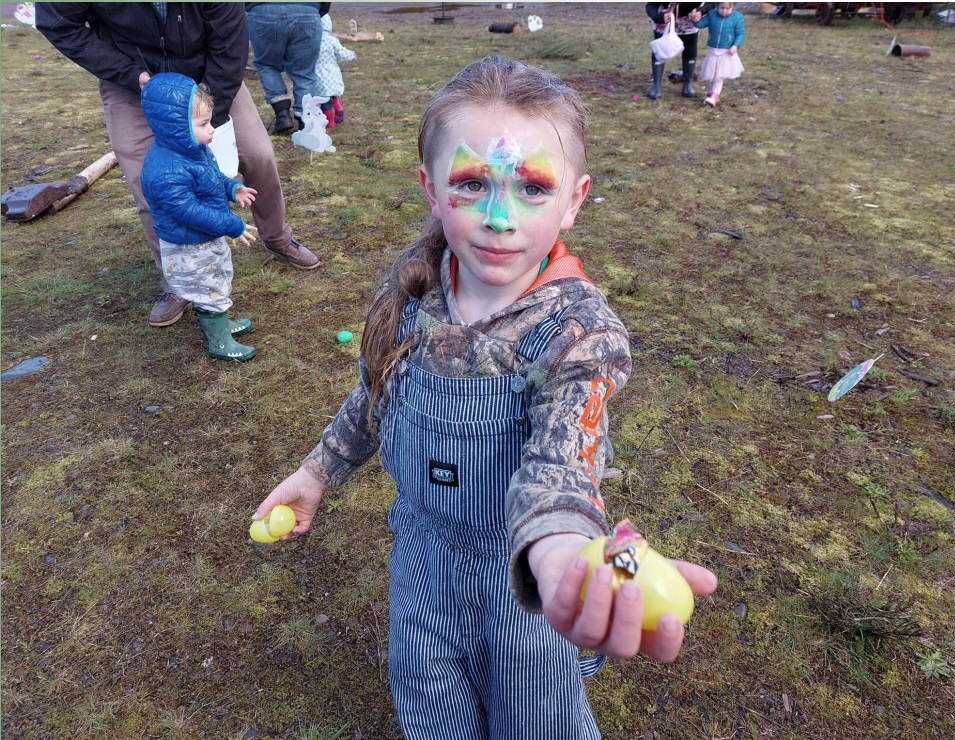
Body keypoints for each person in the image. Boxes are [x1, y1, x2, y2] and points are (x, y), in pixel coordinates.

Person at [251, 55, 718, 739]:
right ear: (430, 190)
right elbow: (376, 391)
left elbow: (564, 459)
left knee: (533, 718)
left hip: (522, 585)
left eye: (532, 188)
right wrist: (318, 471)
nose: (500, 218)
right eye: (472, 184)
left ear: (574, 201)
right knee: (429, 699)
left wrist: (559, 556)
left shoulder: (579, 335)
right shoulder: (411, 288)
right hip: (421, 559)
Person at [35, 3, 322, 329]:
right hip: (134, 81)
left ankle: (277, 236)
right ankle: (176, 279)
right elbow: (57, 22)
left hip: (208, 74)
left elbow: (230, 45)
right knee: (149, 183)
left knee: (258, 154)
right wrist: (130, 74)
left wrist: (203, 123)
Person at [140, 73, 258, 362]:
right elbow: (188, 211)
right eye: (203, 124)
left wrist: (233, 188)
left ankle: (221, 324)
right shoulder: (167, 171)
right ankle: (219, 341)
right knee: (207, 286)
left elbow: (210, 178)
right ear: (175, 127)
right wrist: (232, 224)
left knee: (217, 279)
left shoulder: (191, 151)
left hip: (203, 238)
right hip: (189, 245)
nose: (211, 129)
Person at [244, 3, 331, 133]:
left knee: (267, 65)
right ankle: (306, 121)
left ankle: (282, 113)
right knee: (304, 72)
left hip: (262, 12)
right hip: (307, 10)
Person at [645, 3, 707, 100]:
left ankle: (688, 84)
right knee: (660, 49)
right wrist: (658, 17)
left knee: (690, 48)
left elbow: (712, 3)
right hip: (664, 19)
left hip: (689, 21)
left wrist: (701, 11)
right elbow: (650, 5)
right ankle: (656, 85)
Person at [692, 2, 745, 108]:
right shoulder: (712, 15)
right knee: (712, 73)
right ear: (717, 6)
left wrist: (735, 45)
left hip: (726, 51)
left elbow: (740, 33)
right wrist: (695, 20)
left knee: (719, 76)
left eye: (727, 8)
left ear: (733, 7)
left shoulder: (737, 17)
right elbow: (700, 24)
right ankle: (712, 92)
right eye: (721, 8)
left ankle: (715, 95)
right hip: (713, 49)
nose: (724, 11)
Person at [312, 13, 356, 129]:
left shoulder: (312, 40)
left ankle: (329, 123)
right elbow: (341, 52)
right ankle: (338, 107)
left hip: (318, 72)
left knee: (324, 98)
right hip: (333, 71)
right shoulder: (332, 40)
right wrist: (351, 54)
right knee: (333, 91)